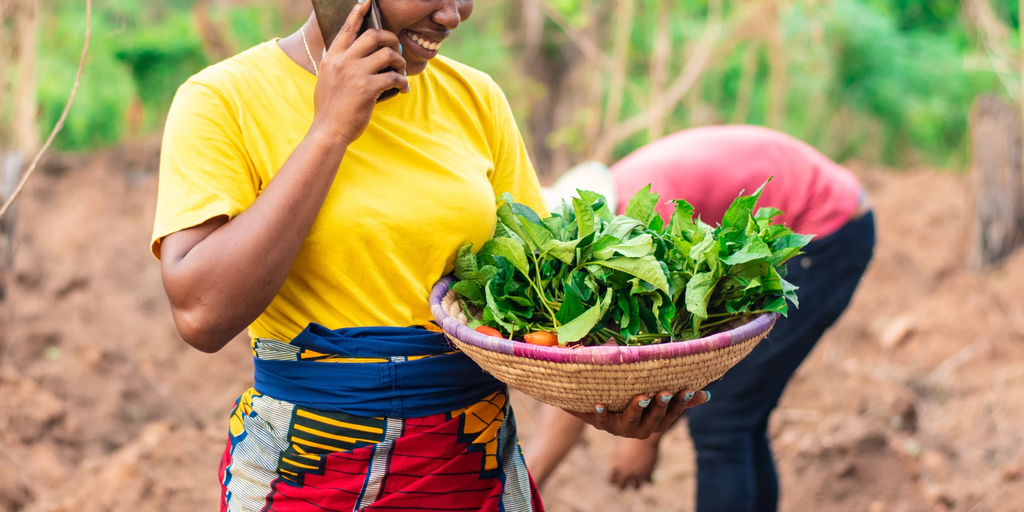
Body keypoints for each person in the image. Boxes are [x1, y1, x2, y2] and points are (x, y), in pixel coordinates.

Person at [151, 2, 706, 510]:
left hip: (472, 468)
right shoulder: (224, 99)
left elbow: (533, 300)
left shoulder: (476, 99)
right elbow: (202, 315)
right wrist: (329, 130)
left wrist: (601, 402)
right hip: (309, 474)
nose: (454, 12)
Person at [527, 125, 875, 512]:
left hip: (826, 230)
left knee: (722, 423)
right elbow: (579, 365)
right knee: (741, 420)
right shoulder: (619, 198)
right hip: (827, 211)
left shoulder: (644, 225)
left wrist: (643, 439)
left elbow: (672, 352)